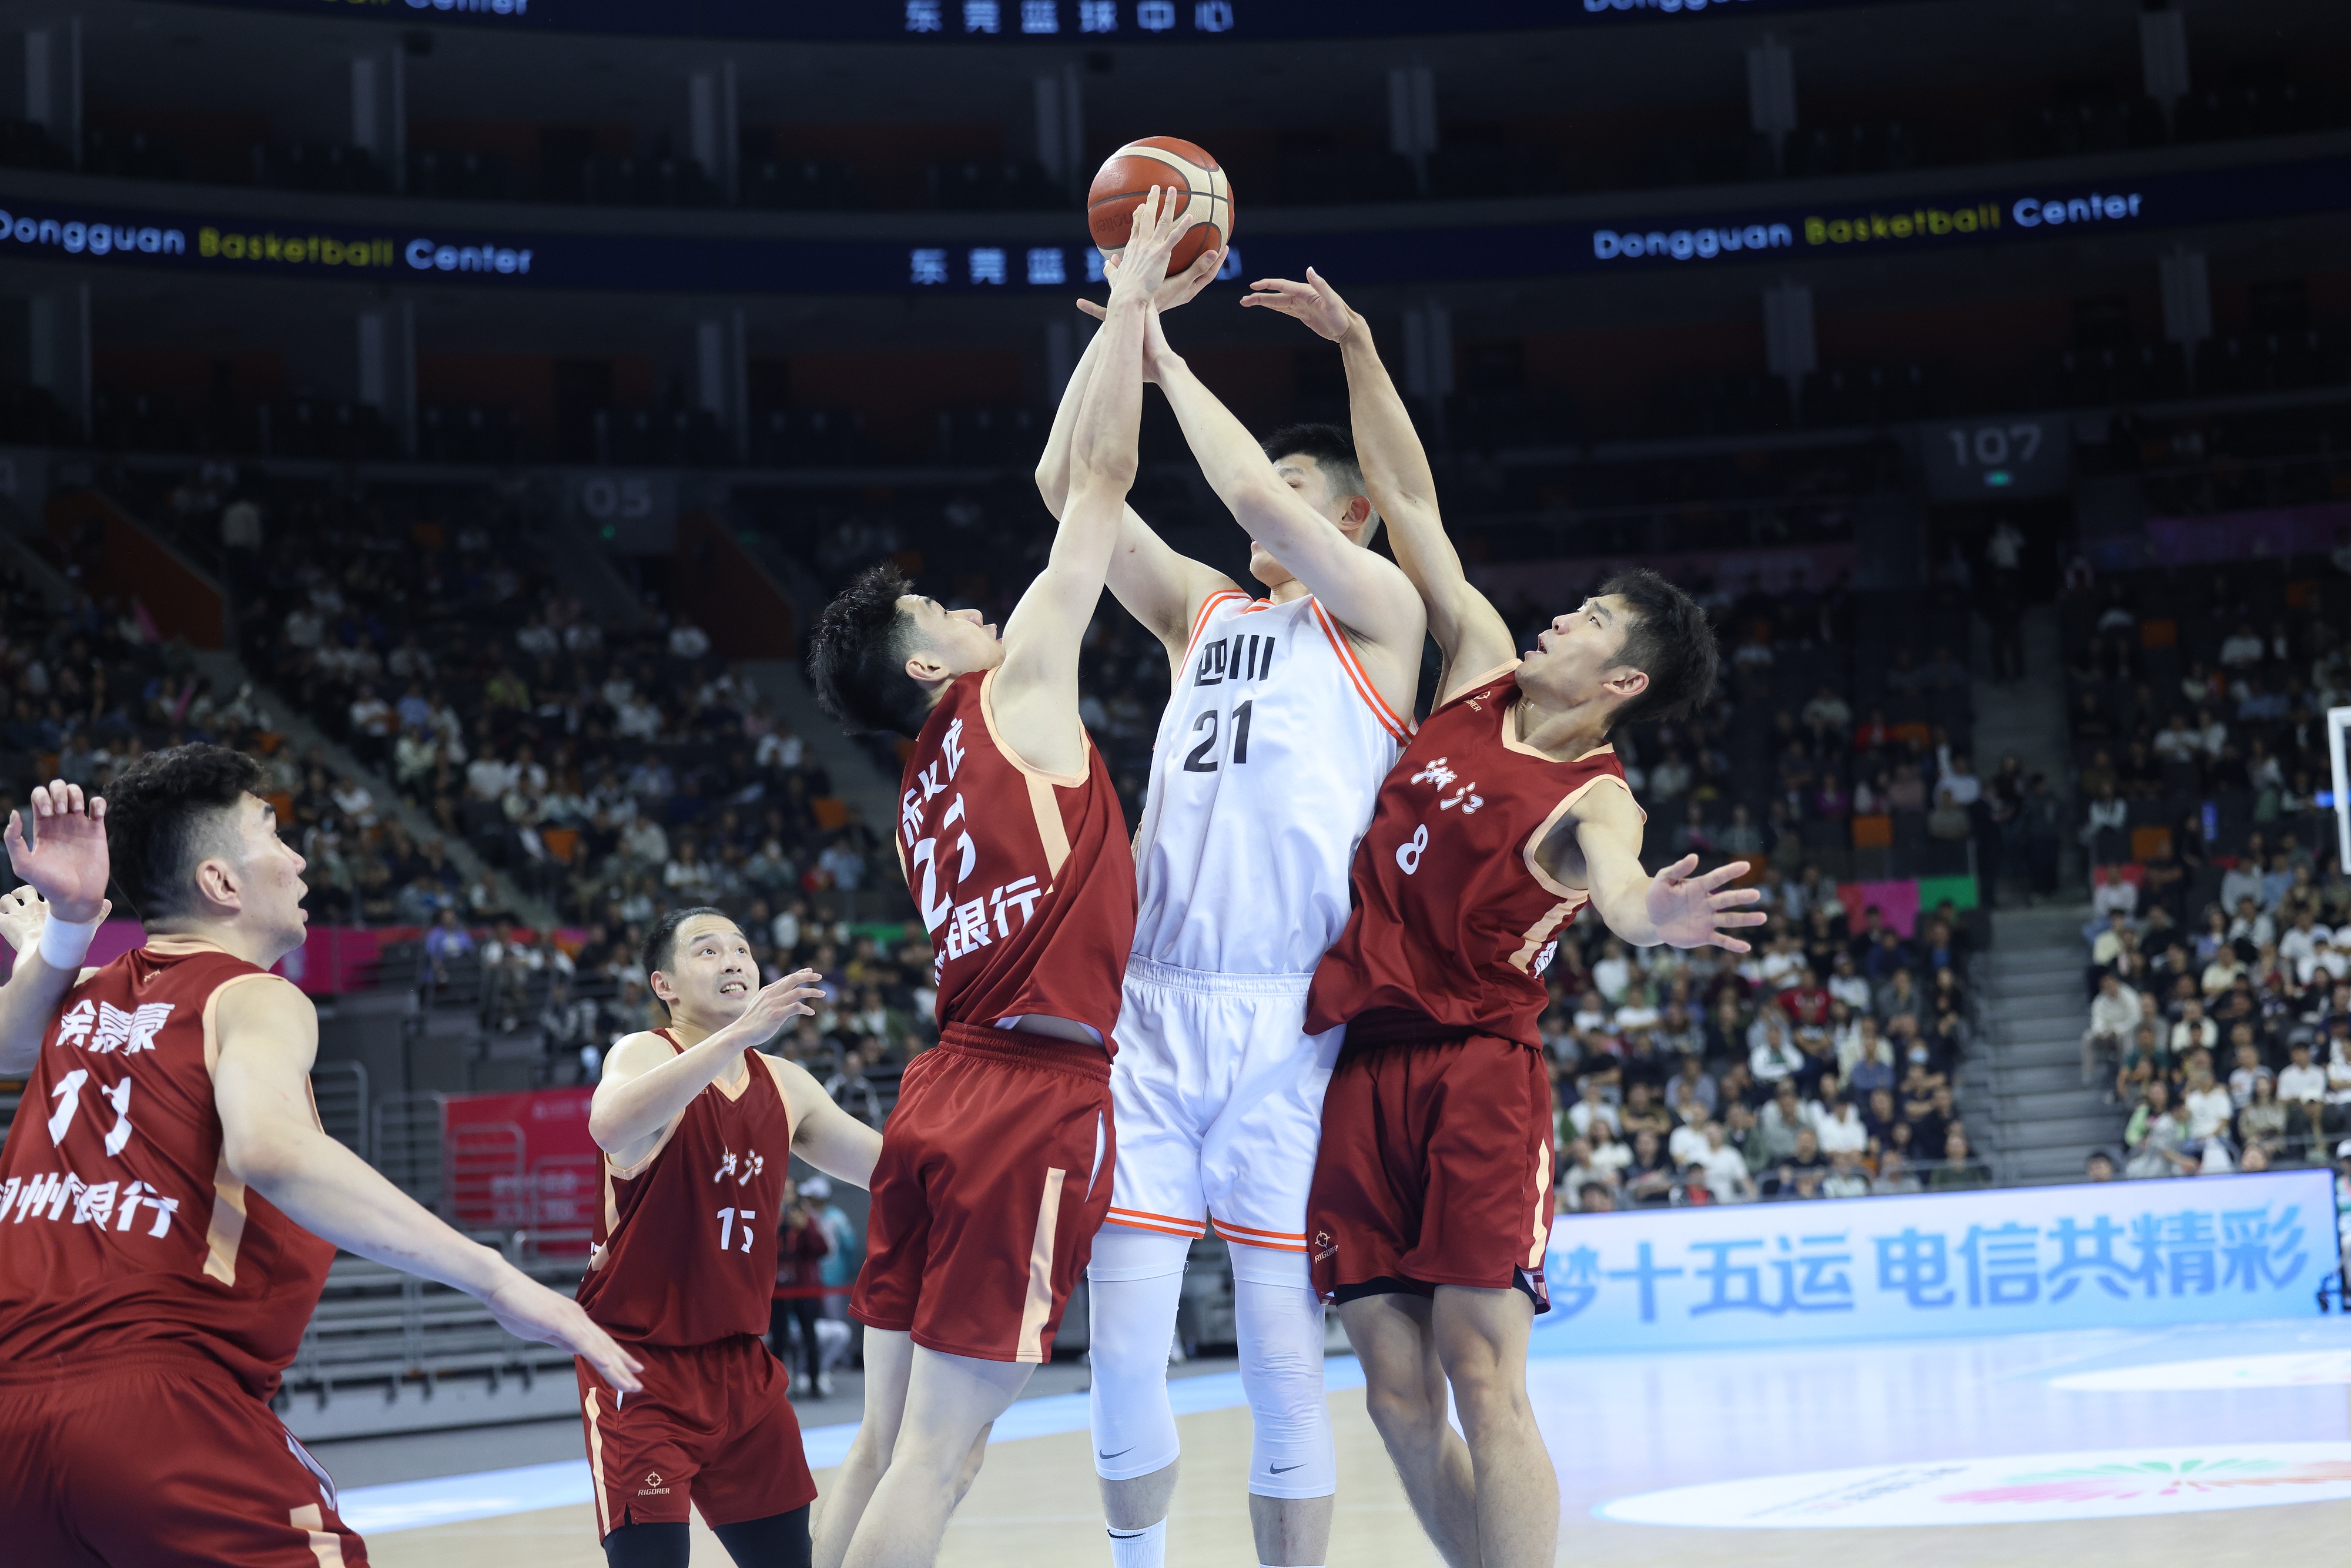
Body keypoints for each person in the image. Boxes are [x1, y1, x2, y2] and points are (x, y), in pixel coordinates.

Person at [1280, 265, 1760, 1568]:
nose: (1559, 616)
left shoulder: (1596, 796)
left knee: (1480, 1374)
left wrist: (1655, 915)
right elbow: (1412, 501)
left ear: (1623, 680)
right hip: (1357, 1063)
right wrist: (1358, 344)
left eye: (1590, 619)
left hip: (1476, 1073)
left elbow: (1620, 892)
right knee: (1393, 1395)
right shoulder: (1479, 668)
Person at [0, 758, 639, 1566]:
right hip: (162, 1408)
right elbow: (271, 1150)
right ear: (221, 883)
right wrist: (497, 1279)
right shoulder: (251, 994)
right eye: (273, 834)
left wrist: (62, 931)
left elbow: (14, 1041)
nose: (300, 860)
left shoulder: (81, 999)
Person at [1036, 257, 1425, 1568]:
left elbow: (1248, 490)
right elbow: (1068, 492)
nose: (1271, 494)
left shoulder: (1384, 618)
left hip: (1285, 1019)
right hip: (1150, 1005)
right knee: (1121, 1347)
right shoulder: (1204, 612)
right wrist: (1116, 336)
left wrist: (1167, 358)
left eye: (1302, 484)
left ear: (1355, 514)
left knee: (1278, 1355)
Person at [802, 189, 1164, 1568]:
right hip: (1028, 1095)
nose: (970, 606)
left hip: (942, 1086)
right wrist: (1129, 298)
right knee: (938, 1461)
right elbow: (1097, 488)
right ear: (925, 663)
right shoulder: (1014, 691)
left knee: (882, 1444)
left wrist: (1117, 325)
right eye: (940, 611)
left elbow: (1063, 481)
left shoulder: (917, 789)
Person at [580, 907, 880, 1567]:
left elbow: (890, 1170)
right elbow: (609, 1125)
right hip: (639, 1365)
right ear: (665, 985)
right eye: (708, 950)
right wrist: (741, 1033)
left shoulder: (786, 1083)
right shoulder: (644, 1052)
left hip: (743, 1366)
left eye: (742, 949)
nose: (734, 961)